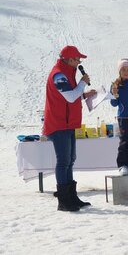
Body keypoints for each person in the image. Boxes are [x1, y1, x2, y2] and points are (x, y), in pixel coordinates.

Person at [43, 45, 97, 212]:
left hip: (67, 123)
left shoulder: (67, 73)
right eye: (77, 59)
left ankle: (71, 197)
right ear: (69, 59)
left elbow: (70, 96)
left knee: (70, 160)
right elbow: (70, 96)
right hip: (58, 124)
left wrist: (84, 94)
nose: (79, 62)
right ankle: (64, 200)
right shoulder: (58, 74)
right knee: (63, 161)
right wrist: (82, 84)